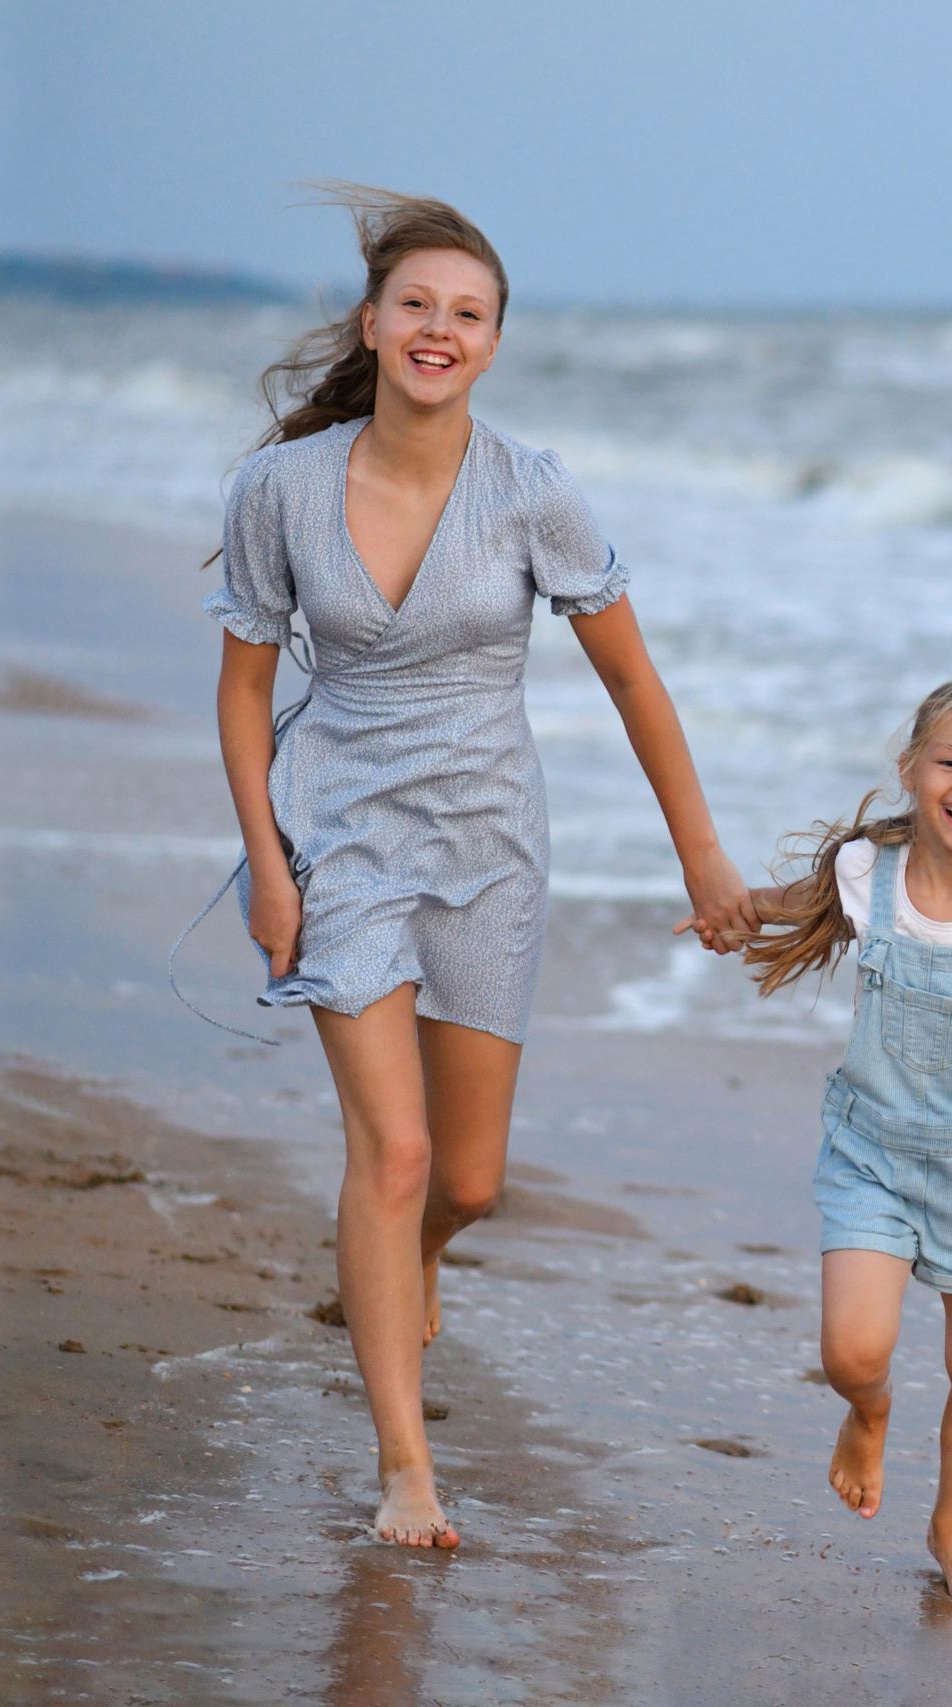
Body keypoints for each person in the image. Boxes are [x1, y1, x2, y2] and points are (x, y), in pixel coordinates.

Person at [206, 186, 757, 1548]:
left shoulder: (532, 490)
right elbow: (239, 688)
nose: (438, 329)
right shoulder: (280, 488)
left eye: (468, 313)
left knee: (463, 1181)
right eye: (417, 305)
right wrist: (266, 863)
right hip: (338, 831)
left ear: (495, 344)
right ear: (375, 322)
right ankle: (407, 1464)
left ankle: (410, 1265)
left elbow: (633, 679)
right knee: (389, 1153)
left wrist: (704, 855)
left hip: (492, 843)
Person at [731, 675, 952, 1606]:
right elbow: (797, 905)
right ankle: (869, 1412)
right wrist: (732, 908)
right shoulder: (868, 875)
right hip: (871, 1155)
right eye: (951, 761)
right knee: (852, 1351)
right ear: (910, 770)